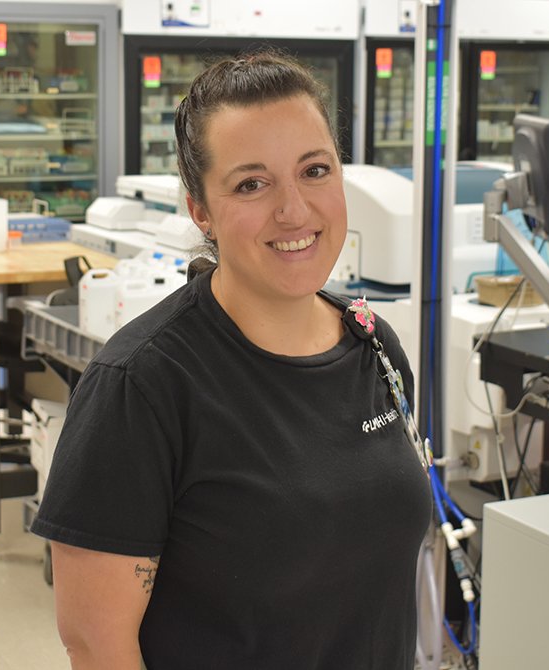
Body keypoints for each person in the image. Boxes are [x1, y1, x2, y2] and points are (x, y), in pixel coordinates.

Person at [30, 51, 432, 669]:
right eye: (252, 183)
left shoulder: (372, 344)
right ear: (201, 211)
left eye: (315, 170)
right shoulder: (141, 385)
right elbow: (96, 643)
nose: (294, 210)